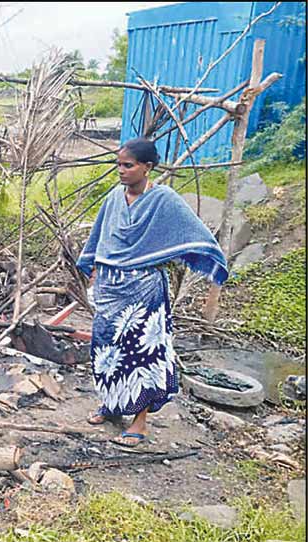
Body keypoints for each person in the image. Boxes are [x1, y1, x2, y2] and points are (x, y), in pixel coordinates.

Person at [76, 138, 228, 447]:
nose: (121, 171)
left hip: (144, 291)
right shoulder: (114, 199)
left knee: (141, 355)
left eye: (128, 166)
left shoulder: (164, 200)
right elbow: (99, 239)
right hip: (110, 289)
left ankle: (140, 422)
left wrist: (210, 260)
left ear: (148, 167)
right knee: (106, 350)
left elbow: (192, 232)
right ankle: (111, 405)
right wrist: (93, 272)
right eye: (118, 165)